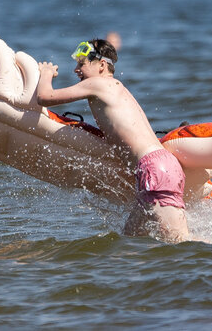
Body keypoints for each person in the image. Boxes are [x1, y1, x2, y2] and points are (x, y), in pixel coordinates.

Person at [36, 39, 190, 243]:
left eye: (81, 64)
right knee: (128, 243)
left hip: (154, 170)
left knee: (181, 244)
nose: (76, 69)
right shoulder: (115, 88)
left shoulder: (98, 84)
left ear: (101, 65)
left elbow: (45, 96)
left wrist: (45, 73)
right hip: (158, 166)